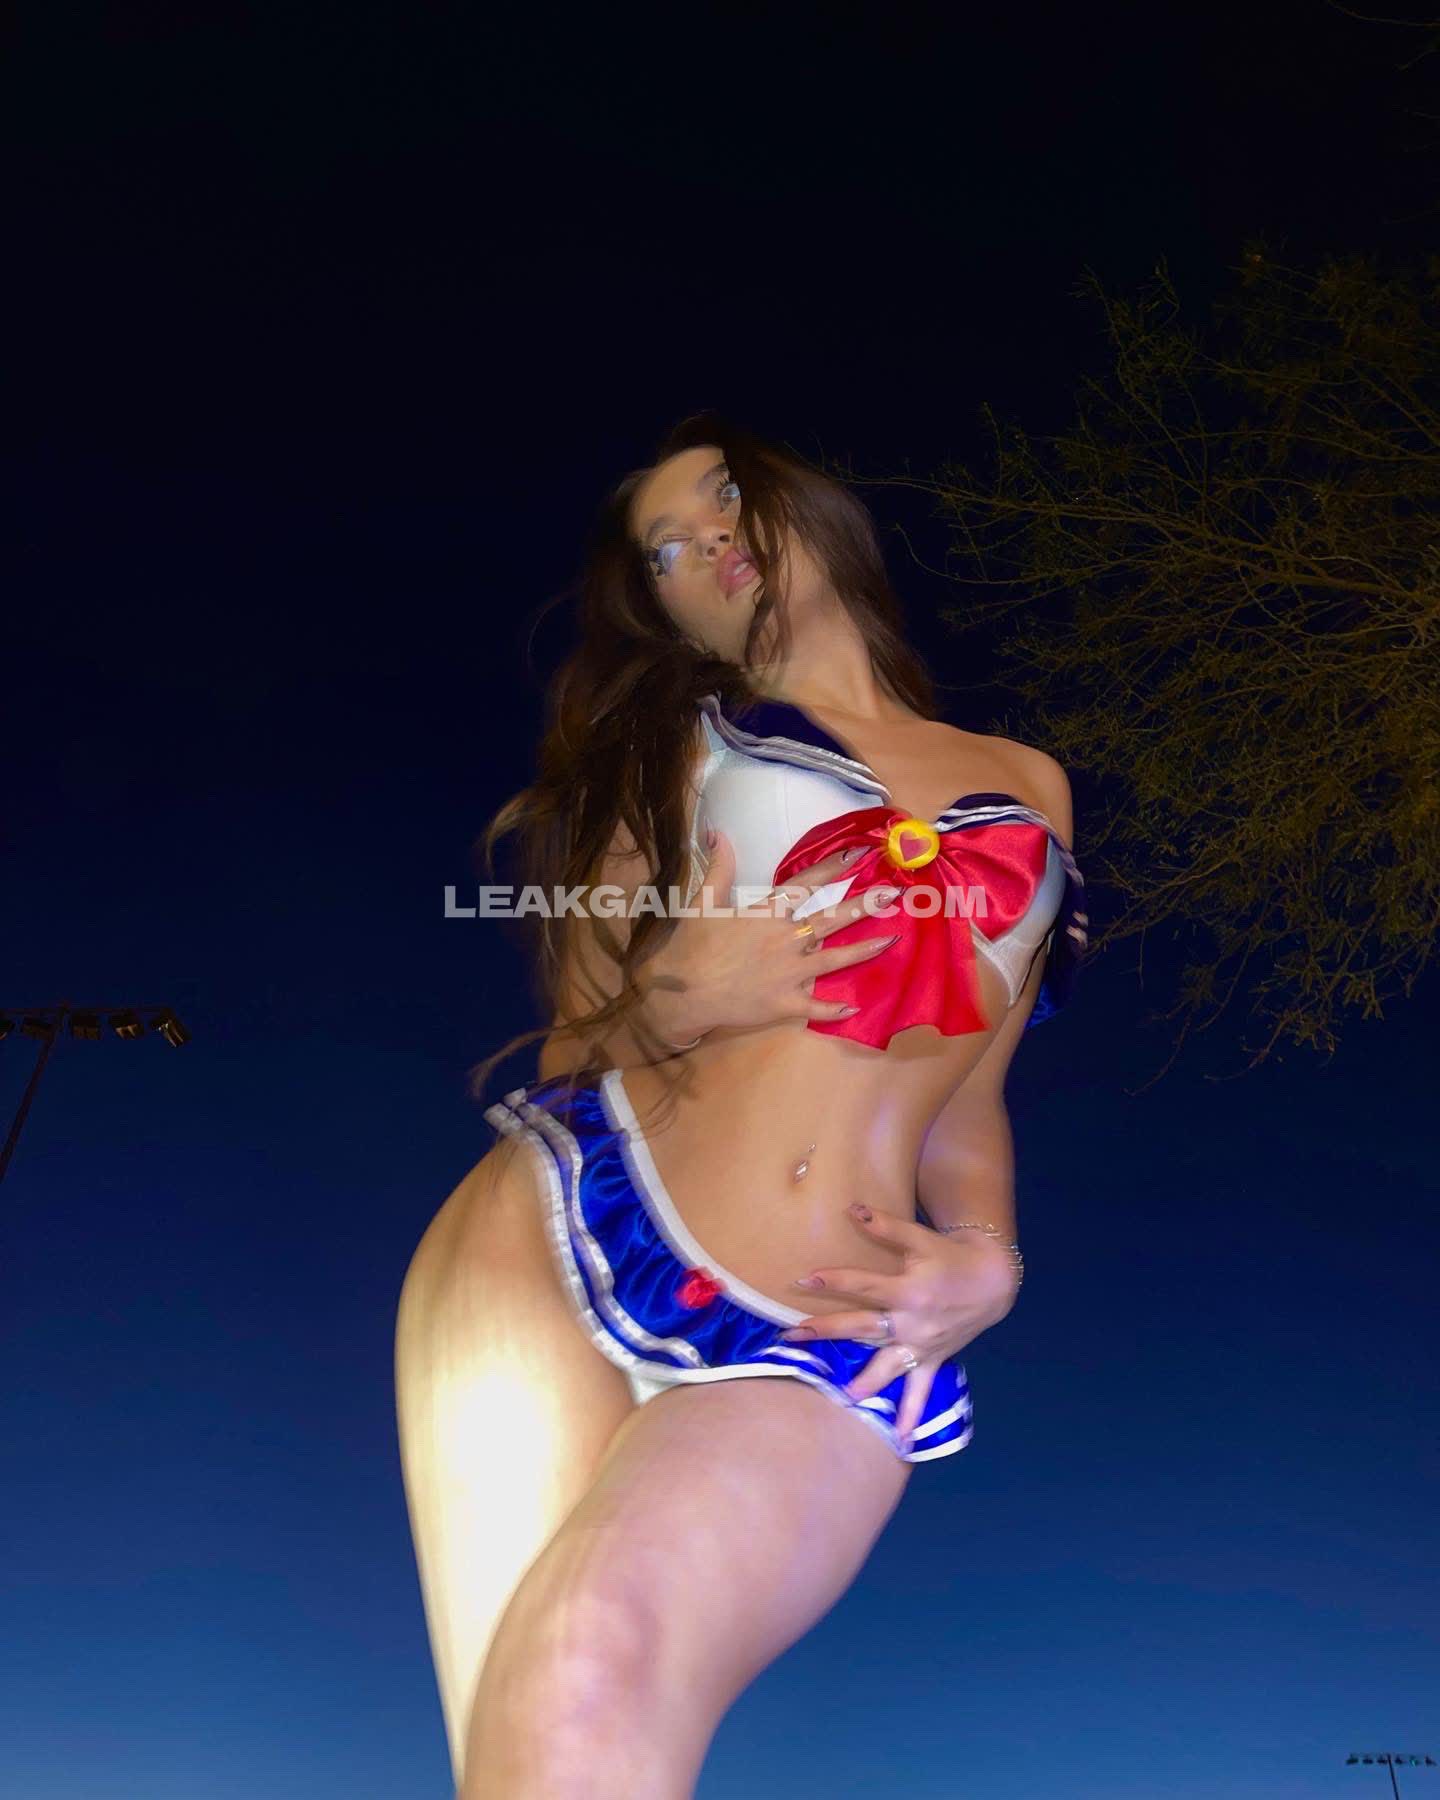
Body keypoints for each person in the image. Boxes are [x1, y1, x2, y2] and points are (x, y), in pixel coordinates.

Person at [395, 409, 1088, 1798]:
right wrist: (684, 992)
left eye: (723, 496)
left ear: (807, 507)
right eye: (663, 548)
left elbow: (969, 1091)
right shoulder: (676, 750)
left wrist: (990, 1255)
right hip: (545, 1239)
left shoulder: (1028, 783)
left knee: (588, 1664)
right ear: (665, 610)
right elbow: (579, 1039)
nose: (705, 539)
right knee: (519, 1761)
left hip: (821, 1313)